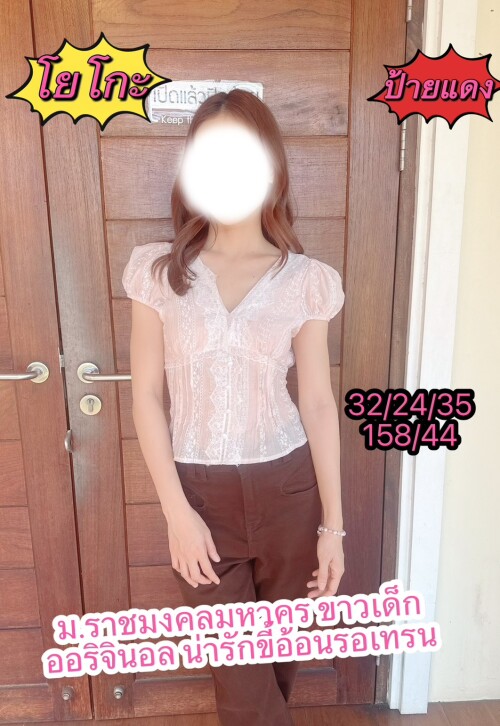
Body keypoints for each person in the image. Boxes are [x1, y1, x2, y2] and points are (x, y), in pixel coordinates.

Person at [122, 89, 346, 726]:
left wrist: (333, 528)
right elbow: (146, 396)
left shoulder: (305, 279)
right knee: (242, 680)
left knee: (276, 667)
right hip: (200, 495)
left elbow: (318, 403)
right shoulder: (158, 272)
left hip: (290, 491)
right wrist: (177, 513)